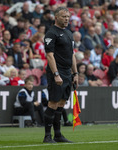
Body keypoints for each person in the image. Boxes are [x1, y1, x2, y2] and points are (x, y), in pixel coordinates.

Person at [43, 7, 78, 143]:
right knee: (53, 103)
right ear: (56, 17)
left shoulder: (69, 33)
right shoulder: (51, 33)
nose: (66, 19)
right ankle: (47, 136)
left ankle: (58, 135)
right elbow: (50, 56)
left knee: (61, 103)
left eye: (68, 17)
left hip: (67, 73)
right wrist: (56, 74)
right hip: (56, 72)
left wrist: (75, 73)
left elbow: (72, 55)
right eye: (63, 16)